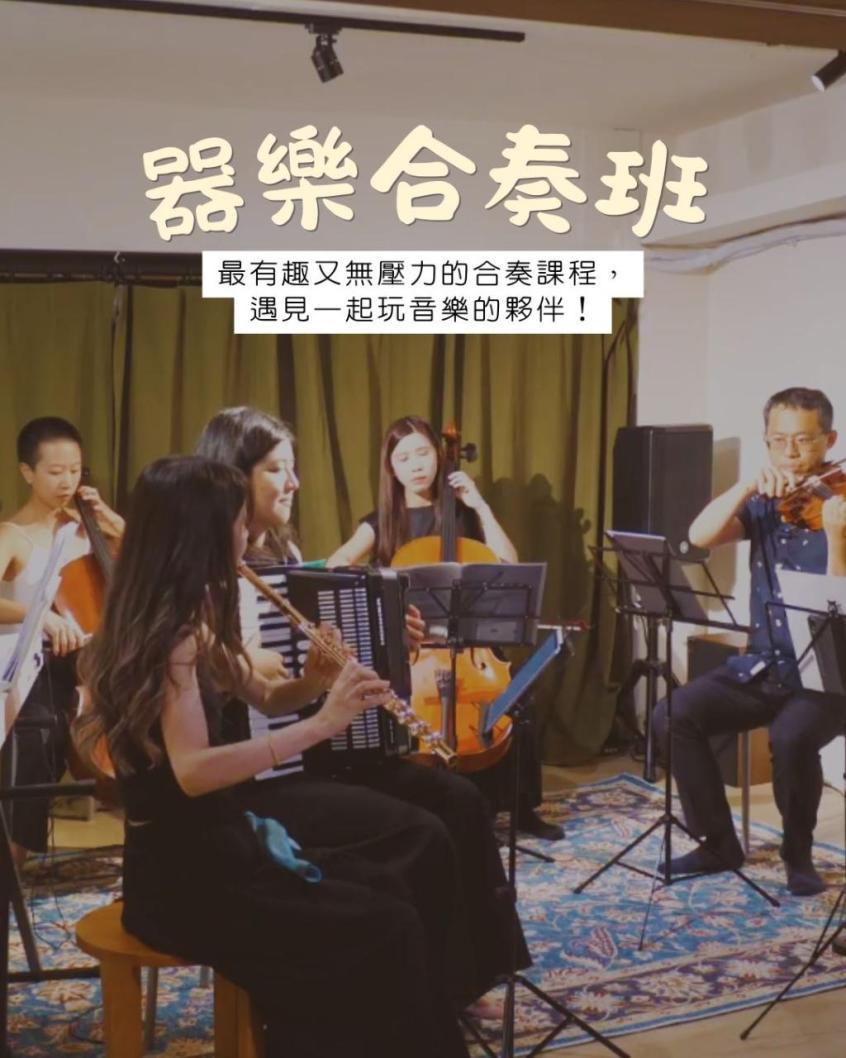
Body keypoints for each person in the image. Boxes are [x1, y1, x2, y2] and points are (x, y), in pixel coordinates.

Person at [75, 455, 470, 1058]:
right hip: (187, 882)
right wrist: (323, 724)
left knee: (388, 886)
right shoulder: (172, 640)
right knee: (385, 927)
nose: (248, 534)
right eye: (239, 524)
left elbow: (263, 694)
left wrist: (316, 681)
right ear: (202, 537)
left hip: (218, 850)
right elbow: (193, 772)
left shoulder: (184, 617)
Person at [196, 407, 532, 1012]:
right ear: (233, 476)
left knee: (459, 797)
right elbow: (256, 687)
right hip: (263, 773)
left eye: (293, 468)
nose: (294, 483)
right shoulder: (212, 574)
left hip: (315, 749)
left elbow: (318, 661)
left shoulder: (283, 550)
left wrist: (389, 639)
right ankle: (421, 992)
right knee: (420, 829)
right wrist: (283, 676)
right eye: (276, 469)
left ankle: (474, 975)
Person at [328, 415, 563, 841]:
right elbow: (335, 564)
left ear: (439, 455)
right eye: (404, 458)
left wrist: (480, 506)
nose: (416, 464)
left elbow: (507, 562)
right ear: (391, 468)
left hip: (471, 641)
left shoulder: (464, 513)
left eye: (423, 453)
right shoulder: (381, 521)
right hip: (415, 646)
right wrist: (380, 589)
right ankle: (446, 804)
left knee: (516, 703)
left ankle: (522, 808)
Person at [653, 387, 846, 897]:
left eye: (803, 440)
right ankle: (718, 842)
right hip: (766, 665)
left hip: (830, 674)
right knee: (672, 714)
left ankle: (797, 854)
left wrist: (838, 539)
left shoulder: (841, 505)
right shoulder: (765, 503)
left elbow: (839, 604)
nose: (790, 452)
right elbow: (699, 536)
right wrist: (744, 486)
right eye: (777, 440)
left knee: (791, 736)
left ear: (829, 440)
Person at [0, 416, 123, 867]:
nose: (67, 481)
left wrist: (115, 524)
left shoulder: (87, 528)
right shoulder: (12, 535)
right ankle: (9, 877)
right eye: (55, 472)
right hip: (38, 677)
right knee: (29, 774)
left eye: (74, 470)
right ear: (27, 472)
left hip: (93, 671)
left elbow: (149, 571)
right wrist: (42, 616)